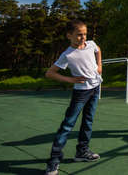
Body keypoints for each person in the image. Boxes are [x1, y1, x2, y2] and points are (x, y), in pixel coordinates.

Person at [44, 19, 102, 175]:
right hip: (81, 92)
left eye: (84, 34)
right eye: (78, 35)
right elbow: (50, 73)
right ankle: (54, 161)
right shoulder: (67, 55)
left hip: (95, 88)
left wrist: (99, 65)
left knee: (88, 121)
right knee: (67, 125)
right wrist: (70, 80)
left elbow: (98, 49)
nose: (83, 38)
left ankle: (82, 152)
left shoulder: (90, 44)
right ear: (68, 35)